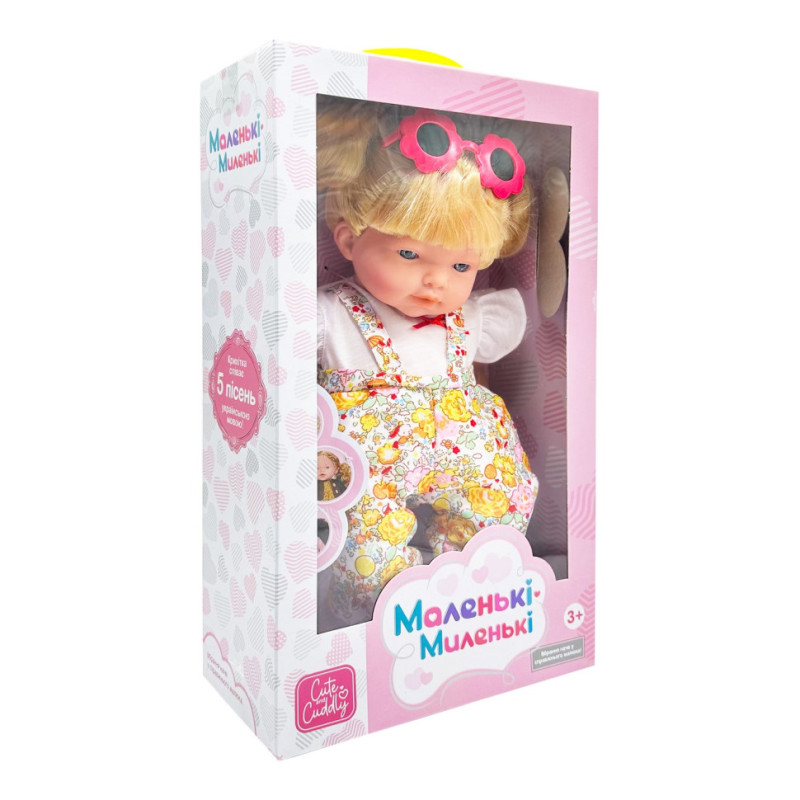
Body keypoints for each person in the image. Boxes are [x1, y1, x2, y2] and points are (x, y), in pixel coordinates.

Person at [317, 99, 539, 623]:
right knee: (364, 536)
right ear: (349, 238)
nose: (436, 280)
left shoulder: (475, 316)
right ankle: (379, 617)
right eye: (409, 254)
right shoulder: (331, 315)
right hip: (369, 468)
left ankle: (475, 595)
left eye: (461, 265)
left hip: (472, 457)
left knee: (502, 502)